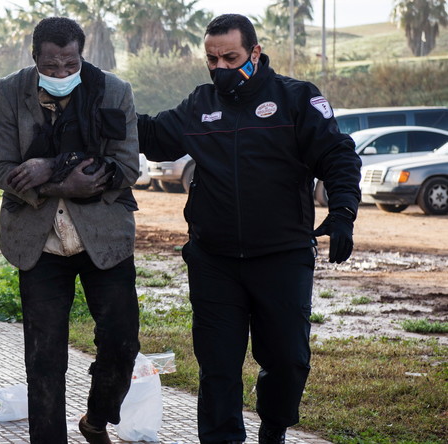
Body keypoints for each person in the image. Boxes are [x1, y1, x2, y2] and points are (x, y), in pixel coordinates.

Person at [136, 14, 361, 444]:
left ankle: (273, 427)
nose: (220, 67)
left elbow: (338, 155)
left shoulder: (296, 99)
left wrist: (344, 211)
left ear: (255, 53)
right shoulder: (200, 104)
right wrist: (104, 105)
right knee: (217, 365)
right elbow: (154, 135)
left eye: (230, 57)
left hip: (282, 257)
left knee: (288, 359)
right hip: (214, 260)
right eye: (212, 59)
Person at [0, 17, 141, 444]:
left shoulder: (114, 91)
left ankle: (96, 418)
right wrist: (61, 185)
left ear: (81, 55)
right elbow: (1, 169)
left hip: (104, 240)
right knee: (43, 358)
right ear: (34, 56)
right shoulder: (10, 91)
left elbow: (126, 167)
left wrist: (51, 166)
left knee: (121, 341)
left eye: (69, 64)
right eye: (50, 65)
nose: (60, 74)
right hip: (39, 241)